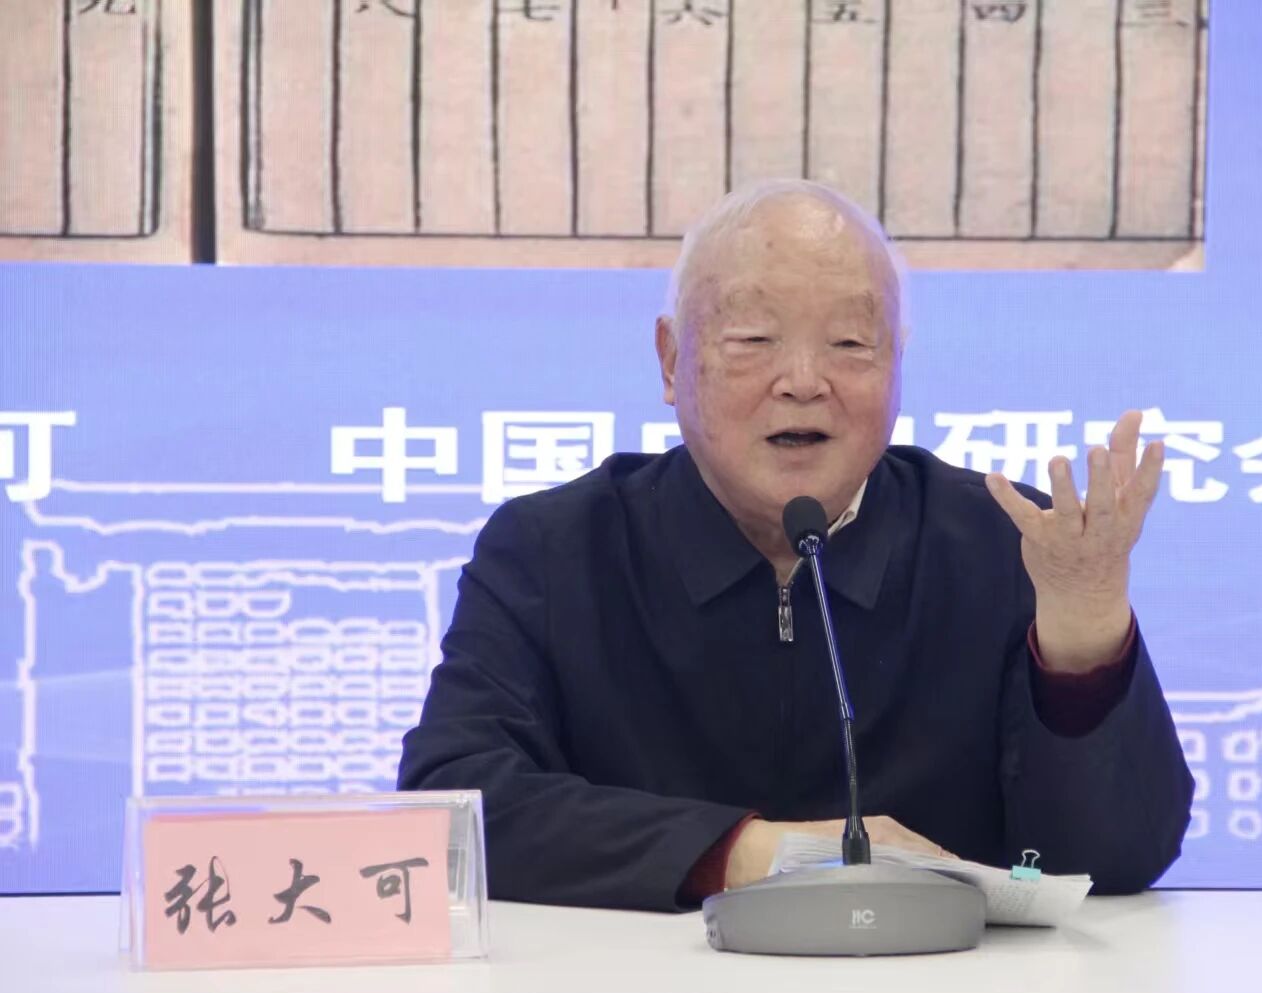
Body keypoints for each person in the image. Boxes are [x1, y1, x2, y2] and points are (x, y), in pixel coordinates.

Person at [398, 179, 1194, 911]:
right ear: (672, 361)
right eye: (754, 338)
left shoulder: (1005, 543)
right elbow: (454, 810)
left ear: (897, 365)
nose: (805, 380)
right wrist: (749, 854)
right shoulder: (552, 551)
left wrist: (1086, 637)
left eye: (850, 343)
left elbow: (1115, 864)